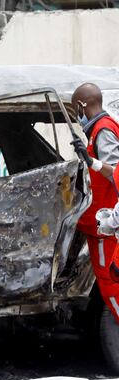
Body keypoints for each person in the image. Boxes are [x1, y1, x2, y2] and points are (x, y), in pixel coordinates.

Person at [71, 83, 119, 320]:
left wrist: (91, 162)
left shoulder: (103, 130)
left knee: (110, 284)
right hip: (102, 224)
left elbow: (116, 174)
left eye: (74, 110)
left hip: (107, 226)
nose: (76, 116)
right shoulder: (101, 129)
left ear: (82, 105)